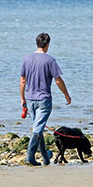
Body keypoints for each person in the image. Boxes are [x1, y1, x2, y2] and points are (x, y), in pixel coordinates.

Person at [20, 33, 71, 166]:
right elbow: (58, 80)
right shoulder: (50, 60)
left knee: (39, 127)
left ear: (37, 43)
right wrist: (66, 94)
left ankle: (45, 157)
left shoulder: (27, 58)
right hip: (44, 100)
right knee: (37, 129)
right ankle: (30, 157)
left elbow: (22, 80)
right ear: (47, 44)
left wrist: (22, 98)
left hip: (30, 99)